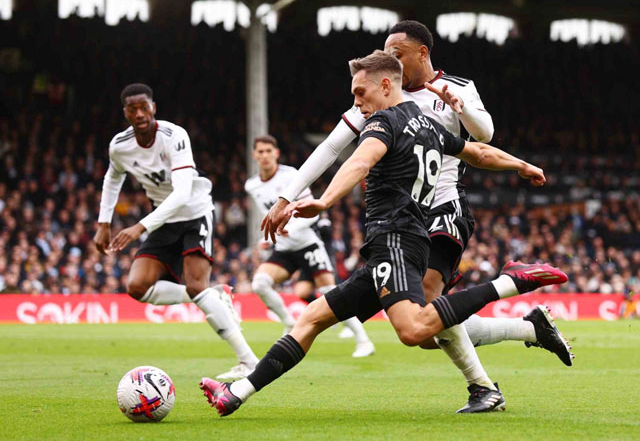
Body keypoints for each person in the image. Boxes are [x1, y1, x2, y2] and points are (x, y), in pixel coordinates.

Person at [200, 51, 569, 416]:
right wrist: (522, 164)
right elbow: (479, 153)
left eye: (361, 93)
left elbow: (360, 161)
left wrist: (324, 201)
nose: (357, 103)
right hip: (400, 245)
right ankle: (237, 393)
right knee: (312, 317)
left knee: (413, 331)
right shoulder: (430, 126)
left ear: (386, 85)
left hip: (394, 239)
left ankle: (509, 282)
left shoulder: (383, 123)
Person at [94, 83, 259, 380]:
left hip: (194, 212)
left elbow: (182, 193)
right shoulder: (119, 146)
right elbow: (112, 178)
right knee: (137, 287)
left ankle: (248, 361)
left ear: (153, 107)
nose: (140, 113)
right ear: (126, 113)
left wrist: (140, 227)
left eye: (144, 106)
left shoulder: (174, 136)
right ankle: (214, 296)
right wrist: (103, 223)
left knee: (197, 285)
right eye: (133, 109)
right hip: (163, 218)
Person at [245, 135, 375, 357]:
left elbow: (312, 215)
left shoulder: (292, 176)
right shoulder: (252, 185)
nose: (265, 156)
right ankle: (288, 323)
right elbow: (268, 217)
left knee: (330, 291)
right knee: (259, 283)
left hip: (307, 243)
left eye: (269, 151)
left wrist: (289, 230)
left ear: (276, 153)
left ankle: (363, 341)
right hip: (284, 248)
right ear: (254, 155)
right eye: (261, 152)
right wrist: (265, 238)